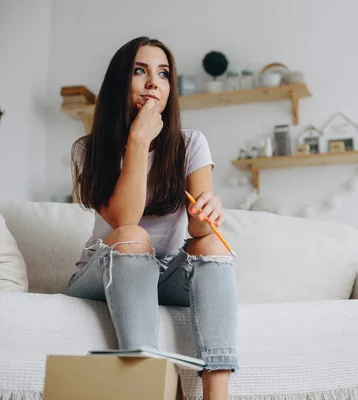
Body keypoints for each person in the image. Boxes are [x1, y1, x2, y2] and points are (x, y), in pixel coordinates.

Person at [65, 36, 238, 400]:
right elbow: (125, 219)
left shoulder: (191, 144)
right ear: (120, 82)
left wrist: (207, 212)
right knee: (134, 236)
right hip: (111, 268)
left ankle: (217, 394)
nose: (152, 82)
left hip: (169, 275)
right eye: (139, 71)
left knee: (211, 244)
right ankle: (145, 385)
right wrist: (139, 141)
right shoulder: (89, 149)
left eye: (163, 74)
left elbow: (198, 231)